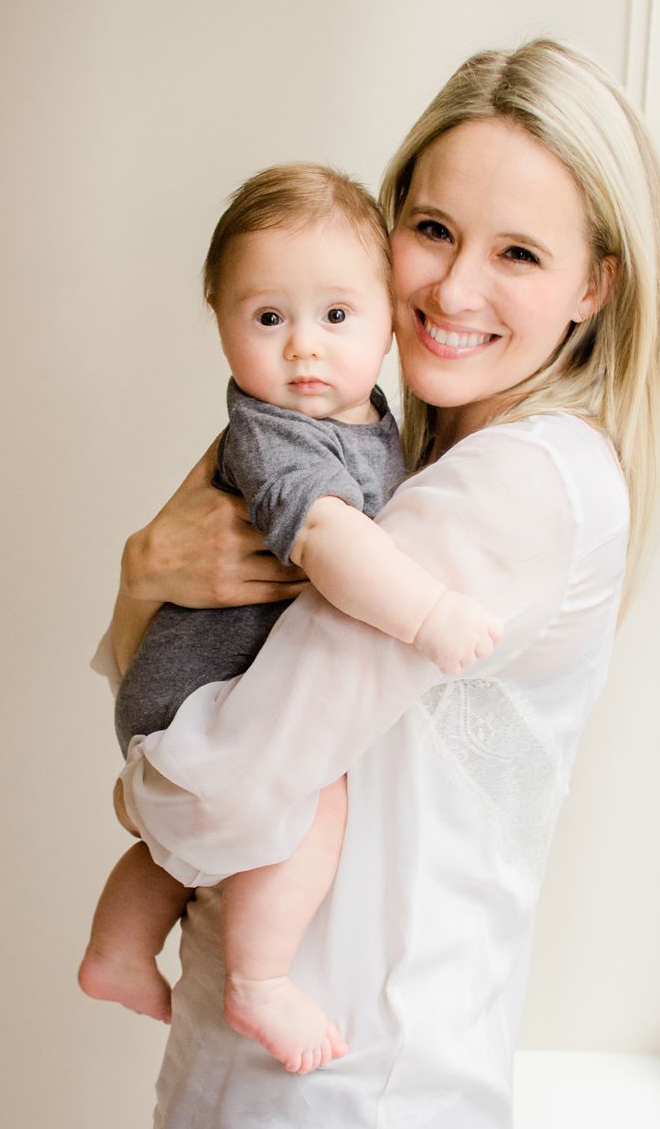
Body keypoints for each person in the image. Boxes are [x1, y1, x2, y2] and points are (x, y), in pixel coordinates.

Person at [99, 39, 660, 1129]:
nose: (454, 290)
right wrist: (141, 572)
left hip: (343, 1118)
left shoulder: (514, 483)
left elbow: (214, 792)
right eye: (432, 229)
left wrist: (136, 787)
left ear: (594, 285)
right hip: (269, 1078)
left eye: (517, 251)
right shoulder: (386, 458)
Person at [78, 163, 501, 1076]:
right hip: (195, 687)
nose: (303, 348)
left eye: (336, 317)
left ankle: (115, 952)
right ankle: (260, 980)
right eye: (269, 319)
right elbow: (332, 544)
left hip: (184, 684)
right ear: (222, 320)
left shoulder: (361, 414)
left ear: (391, 314)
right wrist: (427, 614)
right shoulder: (276, 433)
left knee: (178, 842)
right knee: (315, 802)